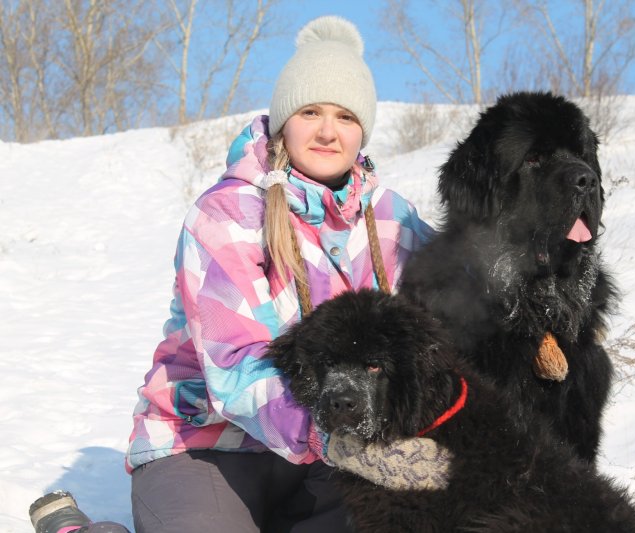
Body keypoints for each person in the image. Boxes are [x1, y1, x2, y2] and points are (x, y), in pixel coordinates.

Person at [29, 15, 450, 533]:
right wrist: (343, 442)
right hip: (207, 445)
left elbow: (466, 295)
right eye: (310, 111)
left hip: (333, 454)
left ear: (362, 129)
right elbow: (235, 369)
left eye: (344, 116)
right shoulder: (227, 215)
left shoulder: (392, 219)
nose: (326, 131)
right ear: (282, 120)